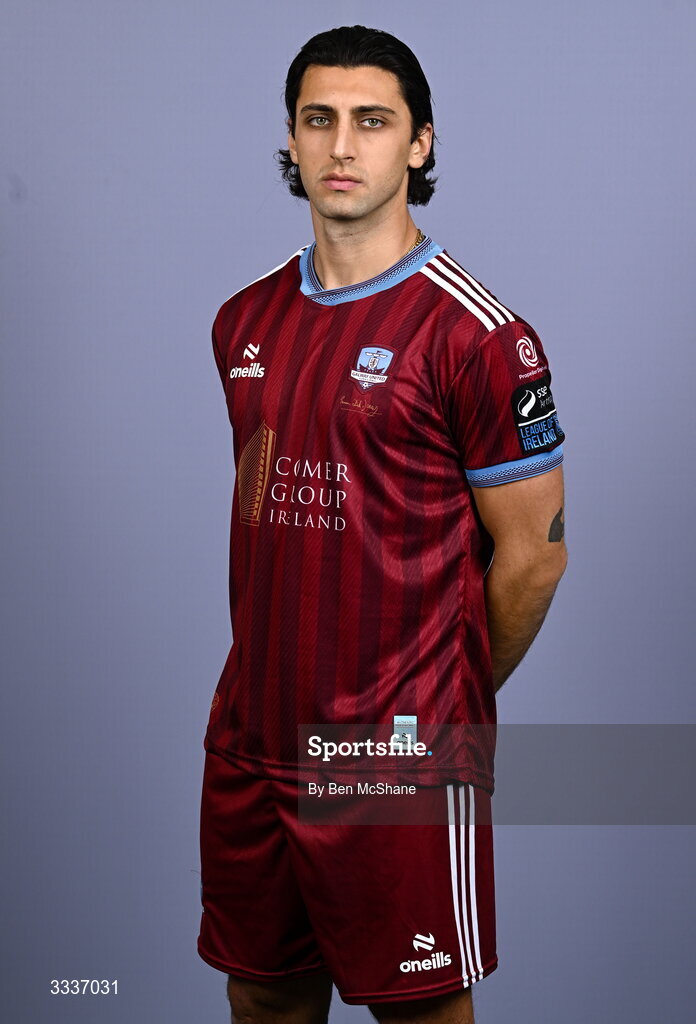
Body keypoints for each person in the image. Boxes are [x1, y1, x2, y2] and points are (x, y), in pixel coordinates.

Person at [197, 24, 568, 1024]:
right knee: (262, 997)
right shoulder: (243, 319)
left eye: (372, 121)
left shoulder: (480, 336)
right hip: (253, 737)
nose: (341, 145)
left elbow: (535, 557)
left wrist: (442, 703)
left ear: (420, 143)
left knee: (419, 1010)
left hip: (393, 755)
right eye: (319, 119)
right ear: (291, 139)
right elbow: (267, 499)